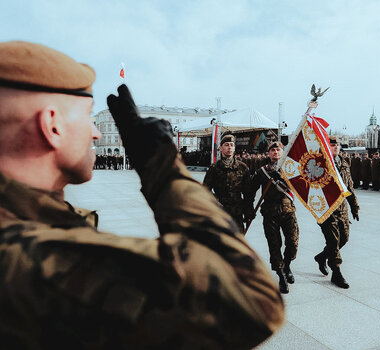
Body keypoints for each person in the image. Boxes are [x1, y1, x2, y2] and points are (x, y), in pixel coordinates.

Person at [0, 41, 284, 349]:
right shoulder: (24, 256)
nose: (95, 132)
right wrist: (162, 166)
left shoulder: (29, 217)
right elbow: (249, 297)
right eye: (86, 117)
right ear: (52, 125)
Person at [250, 141, 299, 294]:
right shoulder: (262, 171)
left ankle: (287, 266)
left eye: (279, 150)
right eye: (273, 150)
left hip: (288, 211)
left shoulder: (291, 168)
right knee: (274, 245)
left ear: (283, 152)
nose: (276, 152)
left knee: (293, 242)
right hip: (270, 212)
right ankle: (281, 275)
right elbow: (251, 190)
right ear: (268, 153)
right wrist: (249, 208)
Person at [314, 136, 359, 289]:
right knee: (333, 242)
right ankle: (336, 272)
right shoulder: (320, 163)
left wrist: (354, 206)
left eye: (337, 145)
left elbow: (349, 185)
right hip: (327, 209)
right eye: (332, 145)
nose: (336, 147)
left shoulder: (344, 162)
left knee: (344, 239)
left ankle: (322, 257)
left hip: (342, 209)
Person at [203, 134, 256, 233]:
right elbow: (205, 191)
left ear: (234, 148)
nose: (229, 147)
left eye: (232, 145)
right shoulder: (214, 168)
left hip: (237, 213)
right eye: (226, 144)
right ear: (220, 148)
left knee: (238, 244)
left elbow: (248, 192)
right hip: (219, 212)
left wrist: (249, 210)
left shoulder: (243, 167)